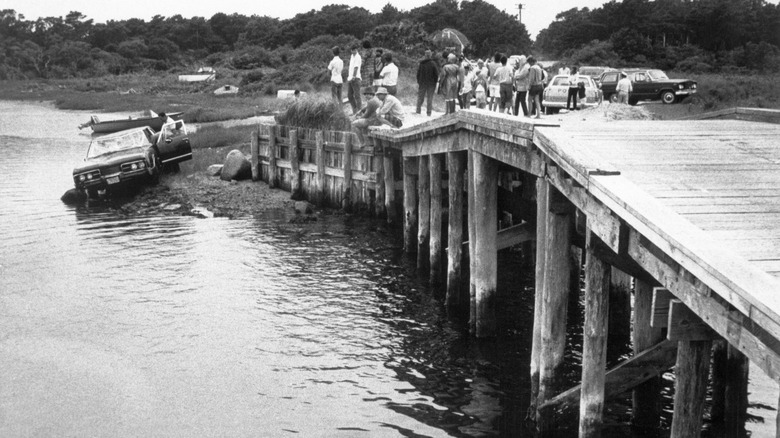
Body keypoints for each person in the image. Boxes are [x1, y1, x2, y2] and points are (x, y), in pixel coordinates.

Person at [416, 49, 439, 116]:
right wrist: (435, 82)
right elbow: (436, 74)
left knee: (420, 97)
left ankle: (418, 110)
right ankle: (428, 112)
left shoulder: (421, 63)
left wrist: (419, 81)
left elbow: (418, 74)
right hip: (431, 84)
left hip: (422, 83)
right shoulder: (433, 64)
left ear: (425, 55)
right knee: (430, 98)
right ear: (430, 55)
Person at [347, 45, 363, 114]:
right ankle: (355, 110)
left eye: (354, 50)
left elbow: (356, 67)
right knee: (349, 95)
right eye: (352, 50)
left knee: (357, 95)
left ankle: (359, 111)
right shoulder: (352, 56)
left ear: (356, 50)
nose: (352, 51)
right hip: (350, 78)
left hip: (355, 78)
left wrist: (353, 76)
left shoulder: (358, 57)